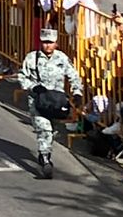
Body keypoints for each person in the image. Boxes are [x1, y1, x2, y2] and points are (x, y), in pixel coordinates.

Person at [18, 28, 83, 179]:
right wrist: (33, 87)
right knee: (44, 129)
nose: (47, 46)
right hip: (38, 101)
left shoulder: (62, 58)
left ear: (56, 43)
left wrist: (77, 93)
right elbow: (22, 76)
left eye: (50, 42)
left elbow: (74, 76)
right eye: (45, 42)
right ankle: (45, 159)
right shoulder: (31, 58)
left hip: (57, 102)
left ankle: (45, 152)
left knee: (52, 130)